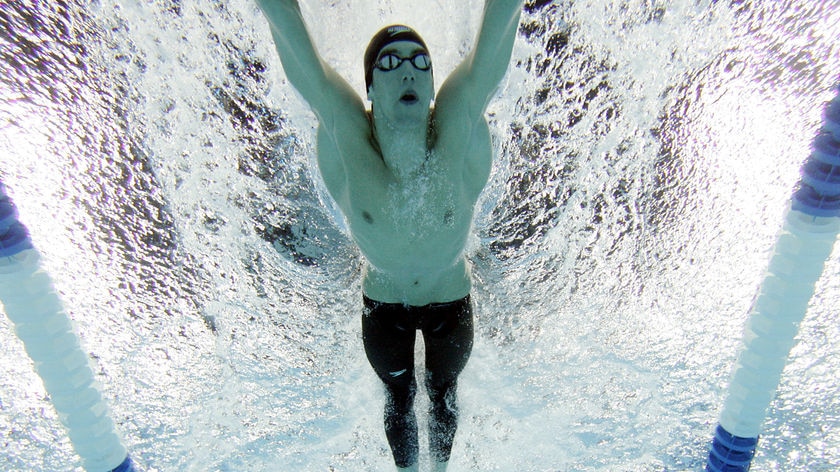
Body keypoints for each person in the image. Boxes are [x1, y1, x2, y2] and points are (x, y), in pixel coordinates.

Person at [255, 1, 524, 470]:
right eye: (391, 63)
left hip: (450, 298)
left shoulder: (456, 128)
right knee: (398, 398)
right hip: (384, 306)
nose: (409, 74)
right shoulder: (348, 136)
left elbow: (487, 60)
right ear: (370, 88)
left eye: (421, 63)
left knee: (443, 395)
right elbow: (309, 70)